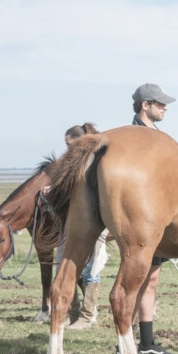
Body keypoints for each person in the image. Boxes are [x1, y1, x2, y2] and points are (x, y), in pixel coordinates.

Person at [111, 84, 178, 354]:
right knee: (133, 281)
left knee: (150, 281)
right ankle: (123, 345)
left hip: (158, 220)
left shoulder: (158, 137)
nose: (164, 107)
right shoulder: (135, 139)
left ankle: (147, 342)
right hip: (142, 220)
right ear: (144, 106)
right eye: (158, 103)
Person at [63, 123, 108, 331]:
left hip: (97, 221)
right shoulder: (75, 162)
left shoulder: (95, 162)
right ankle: (72, 313)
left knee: (92, 269)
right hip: (78, 221)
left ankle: (87, 315)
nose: (68, 149)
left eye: (71, 145)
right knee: (68, 265)